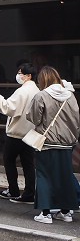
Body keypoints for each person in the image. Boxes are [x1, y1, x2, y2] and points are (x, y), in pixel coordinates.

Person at [25, 66, 80, 224]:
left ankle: (46, 213)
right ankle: (66, 212)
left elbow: (34, 118)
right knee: (65, 177)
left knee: (44, 176)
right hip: (67, 143)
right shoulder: (70, 96)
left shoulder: (41, 95)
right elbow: (76, 119)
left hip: (47, 142)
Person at [0, 62, 39, 204]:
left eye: (21, 73)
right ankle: (29, 193)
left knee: (9, 161)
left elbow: (9, 108)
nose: (18, 75)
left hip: (17, 134)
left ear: (28, 76)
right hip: (30, 134)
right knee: (28, 165)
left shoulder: (23, 91)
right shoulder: (36, 90)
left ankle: (13, 190)